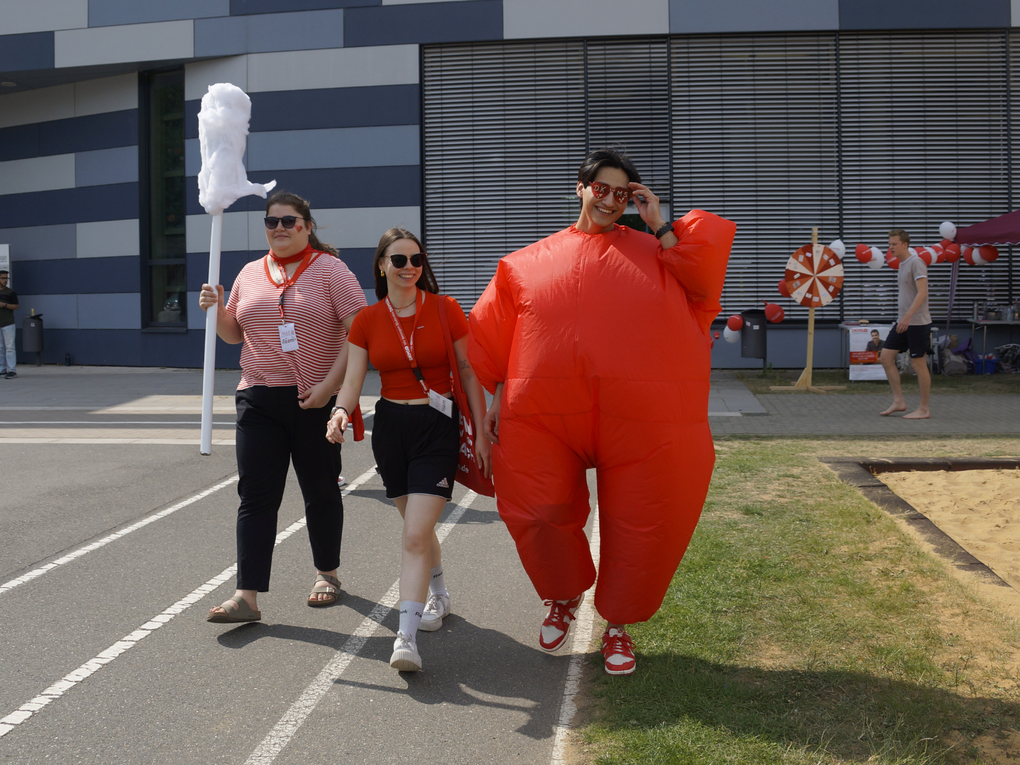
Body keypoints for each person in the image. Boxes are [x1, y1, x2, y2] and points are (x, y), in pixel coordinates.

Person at [468, 148, 735, 675]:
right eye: (603, 189)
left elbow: (705, 286)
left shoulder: (661, 252)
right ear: (581, 187)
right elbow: (490, 334)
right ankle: (564, 595)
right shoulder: (523, 263)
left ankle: (619, 625)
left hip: (642, 416)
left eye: (624, 193)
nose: (612, 201)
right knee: (538, 510)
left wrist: (659, 224)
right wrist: (496, 397)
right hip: (544, 412)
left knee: (644, 520)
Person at [325, 227, 491, 672]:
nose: (409, 268)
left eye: (416, 260)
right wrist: (339, 413)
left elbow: (468, 372)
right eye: (398, 260)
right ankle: (439, 593)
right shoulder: (366, 320)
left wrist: (483, 429)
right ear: (382, 265)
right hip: (392, 428)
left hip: (438, 425)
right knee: (415, 526)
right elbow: (354, 380)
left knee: (415, 534)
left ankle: (406, 638)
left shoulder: (445, 308)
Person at [200, 191, 366, 623]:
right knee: (255, 496)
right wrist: (217, 310)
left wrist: (329, 388)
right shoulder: (250, 273)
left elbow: (359, 334)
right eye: (271, 222)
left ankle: (327, 574)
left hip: (314, 399)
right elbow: (234, 334)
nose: (279, 229)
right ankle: (247, 596)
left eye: (288, 221)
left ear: (307, 226)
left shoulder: (332, 271)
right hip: (257, 396)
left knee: (321, 490)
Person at [879, 229, 931, 419]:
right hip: (903, 322)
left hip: (917, 323)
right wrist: (903, 318)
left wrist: (908, 317)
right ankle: (899, 401)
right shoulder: (902, 265)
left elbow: (922, 292)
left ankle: (924, 409)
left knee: (918, 364)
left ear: (905, 244)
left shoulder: (916, 263)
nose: (890, 247)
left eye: (894, 244)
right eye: (889, 244)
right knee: (885, 357)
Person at [0, 270, 19, 379]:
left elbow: (16, 306)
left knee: (10, 347)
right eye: (3, 278)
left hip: (8, 323)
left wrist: (4, 304)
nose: (5, 280)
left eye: (6, 278)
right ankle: (2, 369)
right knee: (0, 348)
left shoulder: (10, 292)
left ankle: (11, 370)